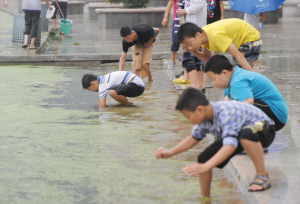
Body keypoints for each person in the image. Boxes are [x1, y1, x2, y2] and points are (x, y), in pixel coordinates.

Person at [155, 87, 276, 197]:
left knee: (246, 134)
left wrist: (207, 166)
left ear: (200, 110)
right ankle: (205, 198)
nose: (188, 121)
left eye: (187, 116)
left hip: (264, 128)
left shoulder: (225, 112)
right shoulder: (204, 117)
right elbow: (193, 138)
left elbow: (230, 146)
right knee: (203, 159)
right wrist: (170, 153)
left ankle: (262, 175)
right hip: (239, 133)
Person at [204, 55, 288, 132]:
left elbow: (249, 103)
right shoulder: (228, 83)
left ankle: (255, 140)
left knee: (237, 109)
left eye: (213, 79)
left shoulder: (238, 80)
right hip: (266, 111)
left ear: (225, 73)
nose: (213, 83)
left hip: (276, 114)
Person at [176, 18, 262, 71]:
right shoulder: (203, 37)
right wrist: (194, 51)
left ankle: (253, 85)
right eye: (186, 47)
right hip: (241, 41)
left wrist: (251, 76)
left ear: (198, 34)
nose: (189, 48)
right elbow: (209, 60)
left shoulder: (216, 36)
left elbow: (239, 56)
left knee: (240, 73)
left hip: (250, 39)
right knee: (237, 73)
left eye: (189, 44)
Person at [172, 0, 207, 91]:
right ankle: (195, 84)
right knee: (189, 55)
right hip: (187, 30)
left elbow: (200, 4)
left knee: (190, 57)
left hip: (195, 31)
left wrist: (186, 10)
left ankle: (196, 86)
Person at [162, 0, 181, 69]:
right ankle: (172, 60)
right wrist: (165, 17)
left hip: (187, 18)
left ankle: (185, 59)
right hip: (176, 20)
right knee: (175, 41)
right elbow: (170, 4)